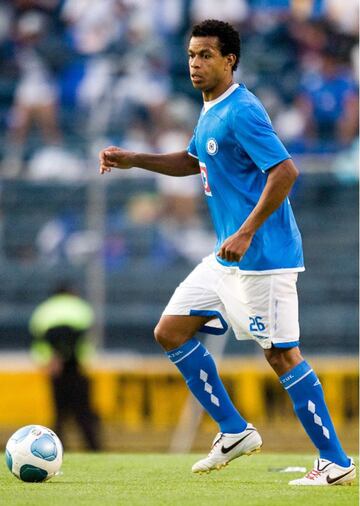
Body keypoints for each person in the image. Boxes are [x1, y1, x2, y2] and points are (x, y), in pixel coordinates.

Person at [99, 19, 355, 485]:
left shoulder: (243, 110)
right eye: (192, 55)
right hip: (225, 260)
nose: (195, 64)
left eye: (206, 55)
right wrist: (135, 159)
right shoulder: (210, 108)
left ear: (229, 59)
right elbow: (193, 159)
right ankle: (234, 431)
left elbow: (285, 172)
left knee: (281, 356)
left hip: (263, 258)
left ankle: (335, 461)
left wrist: (246, 232)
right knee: (171, 331)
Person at [29, 284, 102, 451]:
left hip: (55, 369)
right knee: (84, 413)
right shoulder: (80, 307)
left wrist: (49, 360)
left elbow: (39, 341)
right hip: (76, 368)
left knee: (59, 414)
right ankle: (95, 450)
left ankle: (53, 451)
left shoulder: (43, 311)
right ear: (71, 293)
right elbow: (84, 338)